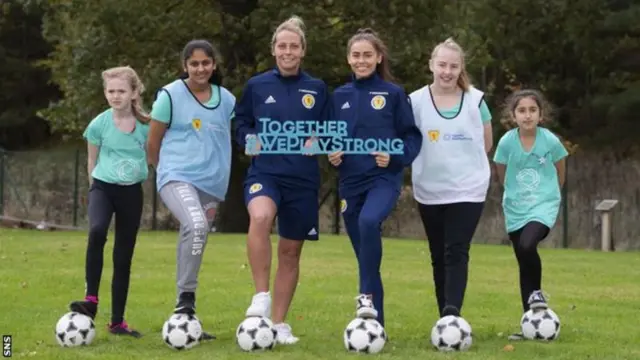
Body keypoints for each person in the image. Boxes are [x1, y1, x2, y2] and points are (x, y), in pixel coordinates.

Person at [233, 15, 329, 345]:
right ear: (274, 50)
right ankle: (261, 296)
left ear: (302, 51)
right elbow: (241, 123)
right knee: (260, 216)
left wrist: (316, 141)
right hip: (266, 173)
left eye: (294, 46)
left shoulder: (317, 89)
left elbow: (329, 131)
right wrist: (249, 139)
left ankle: (279, 324)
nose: (287, 51)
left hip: (302, 181)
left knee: (290, 252)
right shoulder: (257, 86)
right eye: (282, 45)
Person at [328, 28, 423, 328]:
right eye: (356, 55)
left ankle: (364, 296)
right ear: (348, 59)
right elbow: (331, 137)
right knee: (366, 260)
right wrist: (332, 152)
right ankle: (375, 326)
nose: (361, 60)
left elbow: (411, 137)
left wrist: (393, 157)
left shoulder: (393, 94)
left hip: (383, 179)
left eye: (367, 55)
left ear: (378, 57)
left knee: (369, 222)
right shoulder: (338, 96)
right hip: (350, 182)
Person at [146, 39, 236, 341]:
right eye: (194, 63)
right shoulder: (170, 95)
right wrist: (166, 175)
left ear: (214, 65)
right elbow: (153, 143)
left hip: (212, 185)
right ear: (185, 65)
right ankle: (186, 301)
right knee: (196, 224)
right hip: (176, 177)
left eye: (206, 63)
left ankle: (186, 313)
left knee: (197, 235)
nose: (200, 68)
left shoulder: (226, 99)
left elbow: (247, 130)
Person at [409, 38, 494, 319]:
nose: (447, 71)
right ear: (431, 64)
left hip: (468, 190)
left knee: (456, 250)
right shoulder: (415, 101)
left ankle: (452, 312)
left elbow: (487, 142)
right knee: (438, 255)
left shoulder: (475, 100)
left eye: (453, 66)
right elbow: (406, 140)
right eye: (442, 64)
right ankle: (444, 317)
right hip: (429, 189)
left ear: (461, 69)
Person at [69, 66, 150, 337]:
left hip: (131, 193)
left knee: (123, 256)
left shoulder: (146, 126)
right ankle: (90, 300)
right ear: (105, 93)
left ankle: (117, 322)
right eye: (111, 91)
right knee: (96, 230)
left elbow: (155, 156)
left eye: (121, 91)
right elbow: (92, 160)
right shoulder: (98, 124)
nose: (115, 96)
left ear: (134, 93)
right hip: (103, 188)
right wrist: (95, 190)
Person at [492, 89, 568, 340]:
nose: (527, 115)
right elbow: (502, 173)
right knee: (523, 262)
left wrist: (550, 194)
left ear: (541, 114)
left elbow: (560, 170)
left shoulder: (550, 141)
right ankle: (530, 323)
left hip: (543, 205)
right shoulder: (506, 142)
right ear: (513, 116)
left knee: (527, 245)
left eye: (532, 110)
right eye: (522, 111)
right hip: (515, 207)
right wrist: (514, 194)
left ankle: (537, 294)